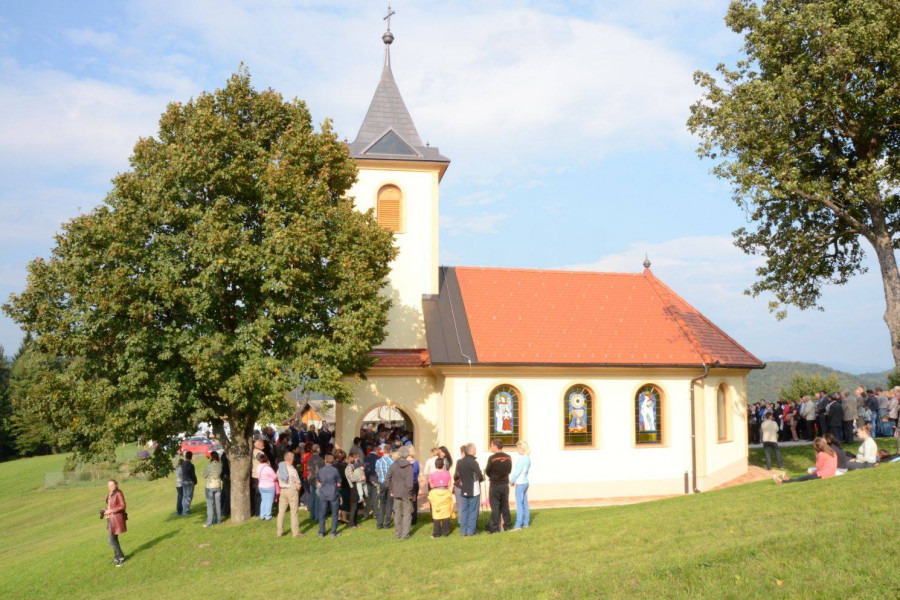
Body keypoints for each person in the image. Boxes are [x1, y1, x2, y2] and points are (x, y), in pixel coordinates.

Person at [385, 446, 415, 539]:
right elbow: (410, 482)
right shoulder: (409, 466)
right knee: (407, 514)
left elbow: (387, 478)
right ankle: (405, 535)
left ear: (399, 454)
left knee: (397, 514)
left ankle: (398, 534)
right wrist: (410, 493)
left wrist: (391, 489)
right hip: (406, 493)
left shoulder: (394, 465)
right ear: (407, 455)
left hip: (396, 492)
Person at [454, 443, 484, 537]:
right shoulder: (473, 462)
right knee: (473, 510)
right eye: (475, 449)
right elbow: (479, 475)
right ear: (470, 450)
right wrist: (481, 478)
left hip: (464, 488)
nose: (476, 450)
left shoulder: (461, 462)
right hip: (473, 488)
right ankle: (471, 531)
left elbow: (458, 475)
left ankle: (463, 531)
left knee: (464, 510)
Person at [485, 439, 512, 533]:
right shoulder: (508, 457)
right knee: (505, 505)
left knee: (495, 506)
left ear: (496, 446)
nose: (490, 447)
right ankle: (507, 525)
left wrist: (493, 476)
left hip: (495, 484)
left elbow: (488, 471)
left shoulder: (492, 458)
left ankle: (495, 527)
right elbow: (509, 470)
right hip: (505, 484)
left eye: (491, 445)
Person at [276, 451, 304, 538]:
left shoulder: (280, 468)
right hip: (292, 491)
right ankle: (295, 533)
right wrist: (297, 488)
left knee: (281, 512)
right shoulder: (292, 470)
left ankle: (279, 531)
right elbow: (298, 484)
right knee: (294, 512)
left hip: (283, 491)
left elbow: (277, 477)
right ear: (291, 459)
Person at [427, 457, 456, 538]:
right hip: (445, 492)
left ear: (436, 466)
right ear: (443, 465)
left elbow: (431, 485)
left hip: (436, 493)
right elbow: (449, 484)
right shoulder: (447, 473)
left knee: (436, 512)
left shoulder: (432, 475)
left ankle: (436, 533)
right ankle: (446, 531)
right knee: (446, 511)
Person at [317, 454, 342, 538]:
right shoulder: (335, 470)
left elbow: (319, 483)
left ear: (325, 460)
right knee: (335, 514)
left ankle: (321, 532)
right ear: (333, 461)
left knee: (322, 513)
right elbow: (339, 484)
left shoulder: (321, 470)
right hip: (333, 494)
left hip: (323, 494)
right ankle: (333, 532)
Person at [104, 479, 127, 566]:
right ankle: (116, 557)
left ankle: (121, 557)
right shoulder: (111, 493)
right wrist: (106, 510)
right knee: (114, 539)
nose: (110, 487)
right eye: (109, 485)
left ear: (116, 485)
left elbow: (122, 506)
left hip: (116, 519)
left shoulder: (118, 493)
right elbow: (111, 505)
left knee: (111, 540)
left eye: (112, 485)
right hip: (110, 518)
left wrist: (111, 511)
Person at [510, 440, 531, 530]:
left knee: (519, 505)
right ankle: (526, 523)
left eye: (518, 448)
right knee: (525, 504)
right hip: (525, 482)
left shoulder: (522, 459)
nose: (517, 450)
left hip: (520, 483)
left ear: (522, 449)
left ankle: (518, 525)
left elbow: (517, 472)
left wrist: (512, 481)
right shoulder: (527, 458)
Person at [375, 445, 394, 529]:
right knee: (390, 503)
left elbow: (377, 473)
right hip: (390, 483)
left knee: (382, 503)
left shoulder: (378, 461)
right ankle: (387, 524)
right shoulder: (393, 461)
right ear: (390, 451)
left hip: (382, 483)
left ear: (383, 451)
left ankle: (379, 523)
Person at [202, 451, 223, 527]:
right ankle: (218, 520)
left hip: (210, 486)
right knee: (218, 503)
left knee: (210, 504)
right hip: (217, 485)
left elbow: (204, 476)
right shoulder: (220, 465)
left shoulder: (208, 465)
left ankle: (209, 522)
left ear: (211, 457)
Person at [345, 451, 365, 528]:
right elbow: (352, 478)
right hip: (353, 487)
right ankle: (351, 524)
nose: (357, 459)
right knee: (354, 505)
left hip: (356, 486)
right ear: (352, 458)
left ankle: (355, 523)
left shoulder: (353, 466)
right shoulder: (349, 467)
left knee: (356, 505)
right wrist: (361, 478)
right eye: (356, 457)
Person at [306, 444, 324, 522]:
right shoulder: (320, 459)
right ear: (317, 449)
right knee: (318, 498)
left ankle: (312, 515)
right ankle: (317, 516)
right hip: (317, 480)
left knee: (312, 497)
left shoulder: (310, 458)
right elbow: (321, 471)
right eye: (319, 448)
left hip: (310, 479)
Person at [256, 454, 277, 521]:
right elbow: (275, 477)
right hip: (269, 486)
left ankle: (262, 515)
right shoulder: (268, 468)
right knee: (269, 501)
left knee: (263, 501)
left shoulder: (258, 467)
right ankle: (268, 516)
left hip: (261, 486)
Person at [363, 446, 380, 520]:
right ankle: (375, 514)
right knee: (375, 498)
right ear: (376, 450)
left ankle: (366, 513)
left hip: (367, 479)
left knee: (367, 497)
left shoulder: (365, 457)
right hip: (375, 479)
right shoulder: (378, 458)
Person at [250, 437, 265, 517]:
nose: (263, 444)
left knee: (258, 494)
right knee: (258, 494)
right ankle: (258, 511)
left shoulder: (256, 451)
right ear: (258, 444)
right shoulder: (257, 452)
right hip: (258, 475)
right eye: (262, 443)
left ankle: (257, 511)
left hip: (257, 475)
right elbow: (264, 461)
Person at [181, 451, 197, 515]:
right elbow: (193, 475)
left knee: (184, 496)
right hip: (189, 482)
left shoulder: (183, 464)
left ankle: (184, 510)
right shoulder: (191, 465)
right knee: (189, 497)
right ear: (191, 457)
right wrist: (195, 481)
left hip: (184, 481)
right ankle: (186, 511)